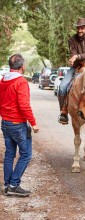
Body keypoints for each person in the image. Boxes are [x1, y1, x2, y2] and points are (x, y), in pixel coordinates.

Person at [0, 54, 39, 197]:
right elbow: (24, 105)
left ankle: (7, 185)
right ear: (23, 66)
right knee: (26, 154)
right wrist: (33, 123)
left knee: (10, 154)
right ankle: (14, 184)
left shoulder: (3, 79)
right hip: (17, 124)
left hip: (5, 122)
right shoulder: (21, 82)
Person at [58, 17, 85, 125]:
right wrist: (76, 58)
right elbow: (73, 54)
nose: (80, 30)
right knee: (62, 87)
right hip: (76, 67)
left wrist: (77, 56)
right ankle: (64, 112)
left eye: (82, 28)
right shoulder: (72, 40)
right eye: (78, 28)